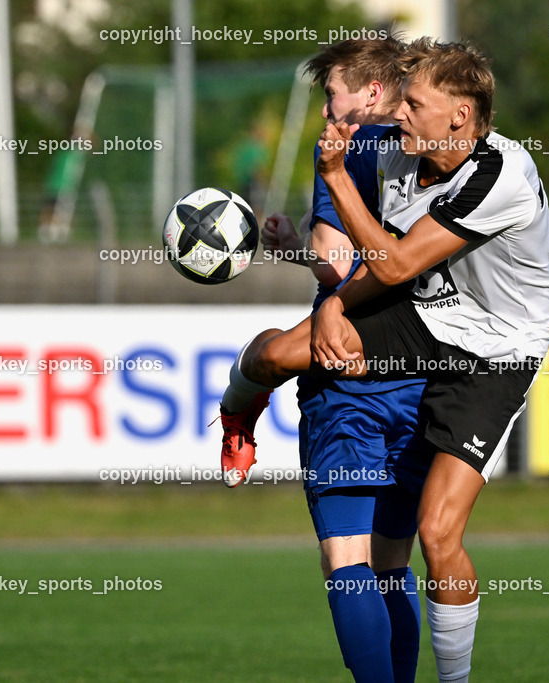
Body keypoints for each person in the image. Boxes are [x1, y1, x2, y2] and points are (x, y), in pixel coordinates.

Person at [219, 38, 549, 682]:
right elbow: (386, 270)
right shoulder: (393, 150)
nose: (400, 113)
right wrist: (333, 308)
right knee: (277, 353)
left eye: (416, 103)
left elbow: (395, 261)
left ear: (460, 114)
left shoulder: (499, 173)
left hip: (495, 348)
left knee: (436, 535)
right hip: (429, 317)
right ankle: (237, 411)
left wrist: (334, 182)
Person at [230, 37, 426, 682]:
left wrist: (296, 247)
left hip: (349, 378)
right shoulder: (442, 149)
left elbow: (341, 267)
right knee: (394, 562)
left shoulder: (345, 150)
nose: (325, 112)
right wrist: (294, 246)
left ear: (370, 93)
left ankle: (237, 419)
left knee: (348, 562)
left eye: (331, 94)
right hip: (426, 377)